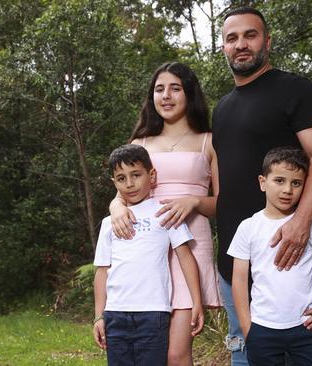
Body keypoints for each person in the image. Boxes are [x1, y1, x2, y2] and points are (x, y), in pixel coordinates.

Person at [213, 7, 312, 364]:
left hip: (284, 256)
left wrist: (300, 225)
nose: (241, 44)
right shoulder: (222, 108)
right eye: (231, 38)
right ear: (223, 47)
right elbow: (226, 186)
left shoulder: (295, 90)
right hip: (235, 260)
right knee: (242, 349)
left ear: (267, 41)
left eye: (250, 35)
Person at [109, 62, 222, 365]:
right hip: (148, 252)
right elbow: (121, 193)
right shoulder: (140, 143)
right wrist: (115, 207)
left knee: (176, 352)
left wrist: (195, 202)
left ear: (189, 94)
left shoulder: (209, 141)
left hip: (190, 247)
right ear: (152, 97)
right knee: (152, 352)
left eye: (175, 88)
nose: (166, 96)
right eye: (160, 89)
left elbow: (223, 204)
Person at [228, 147, 312, 366]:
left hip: (306, 327)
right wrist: (247, 327)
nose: (287, 190)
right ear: (263, 182)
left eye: (296, 183)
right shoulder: (248, 227)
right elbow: (239, 279)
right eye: (279, 181)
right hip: (262, 328)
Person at [92, 144, 205, 366]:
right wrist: (99, 315)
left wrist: (196, 302)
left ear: (151, 176)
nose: (130, 184)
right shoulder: (109, 223)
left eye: (136, 175)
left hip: (153, 314)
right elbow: (102, 271)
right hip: (116, 313)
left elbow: (185, 257)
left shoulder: (164, 213)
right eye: (121, 178)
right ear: (114, 183)